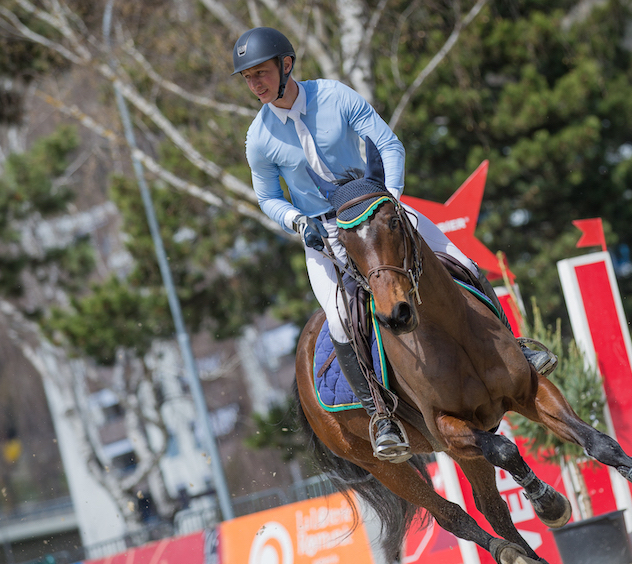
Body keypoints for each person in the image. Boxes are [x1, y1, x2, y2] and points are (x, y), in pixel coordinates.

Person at [234, 27, 554, 462]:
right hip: (326, 231)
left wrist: (393, 203)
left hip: (380, 214)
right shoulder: (259, 137)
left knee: (463, 262)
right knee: (340, 321)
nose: (255, 83)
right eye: (248, 77)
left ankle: (516, 349)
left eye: (260, 72)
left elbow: (388, 143)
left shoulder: (334, 96)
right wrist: (296, 220)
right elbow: (267, 197)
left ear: (286, 65)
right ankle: (382, 415)